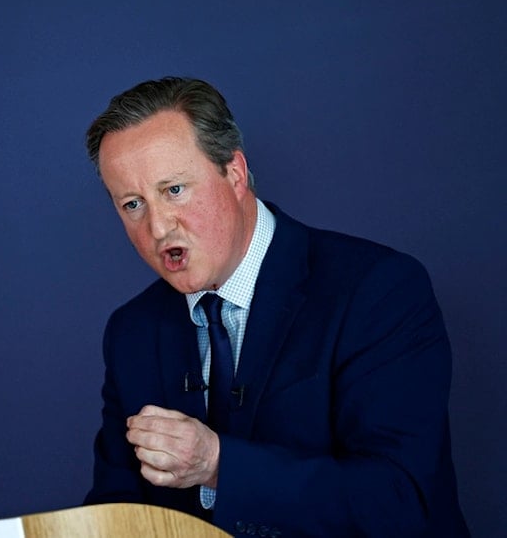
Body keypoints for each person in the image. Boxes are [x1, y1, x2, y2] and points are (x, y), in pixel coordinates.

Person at [83, 77, 469, 537]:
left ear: (235, 173)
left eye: (174, 190)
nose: (159, 226)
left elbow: (398, 500)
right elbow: (116, 514)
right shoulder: (132, 331)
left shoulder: (377, 289)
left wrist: (219, 465)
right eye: (132, 204)